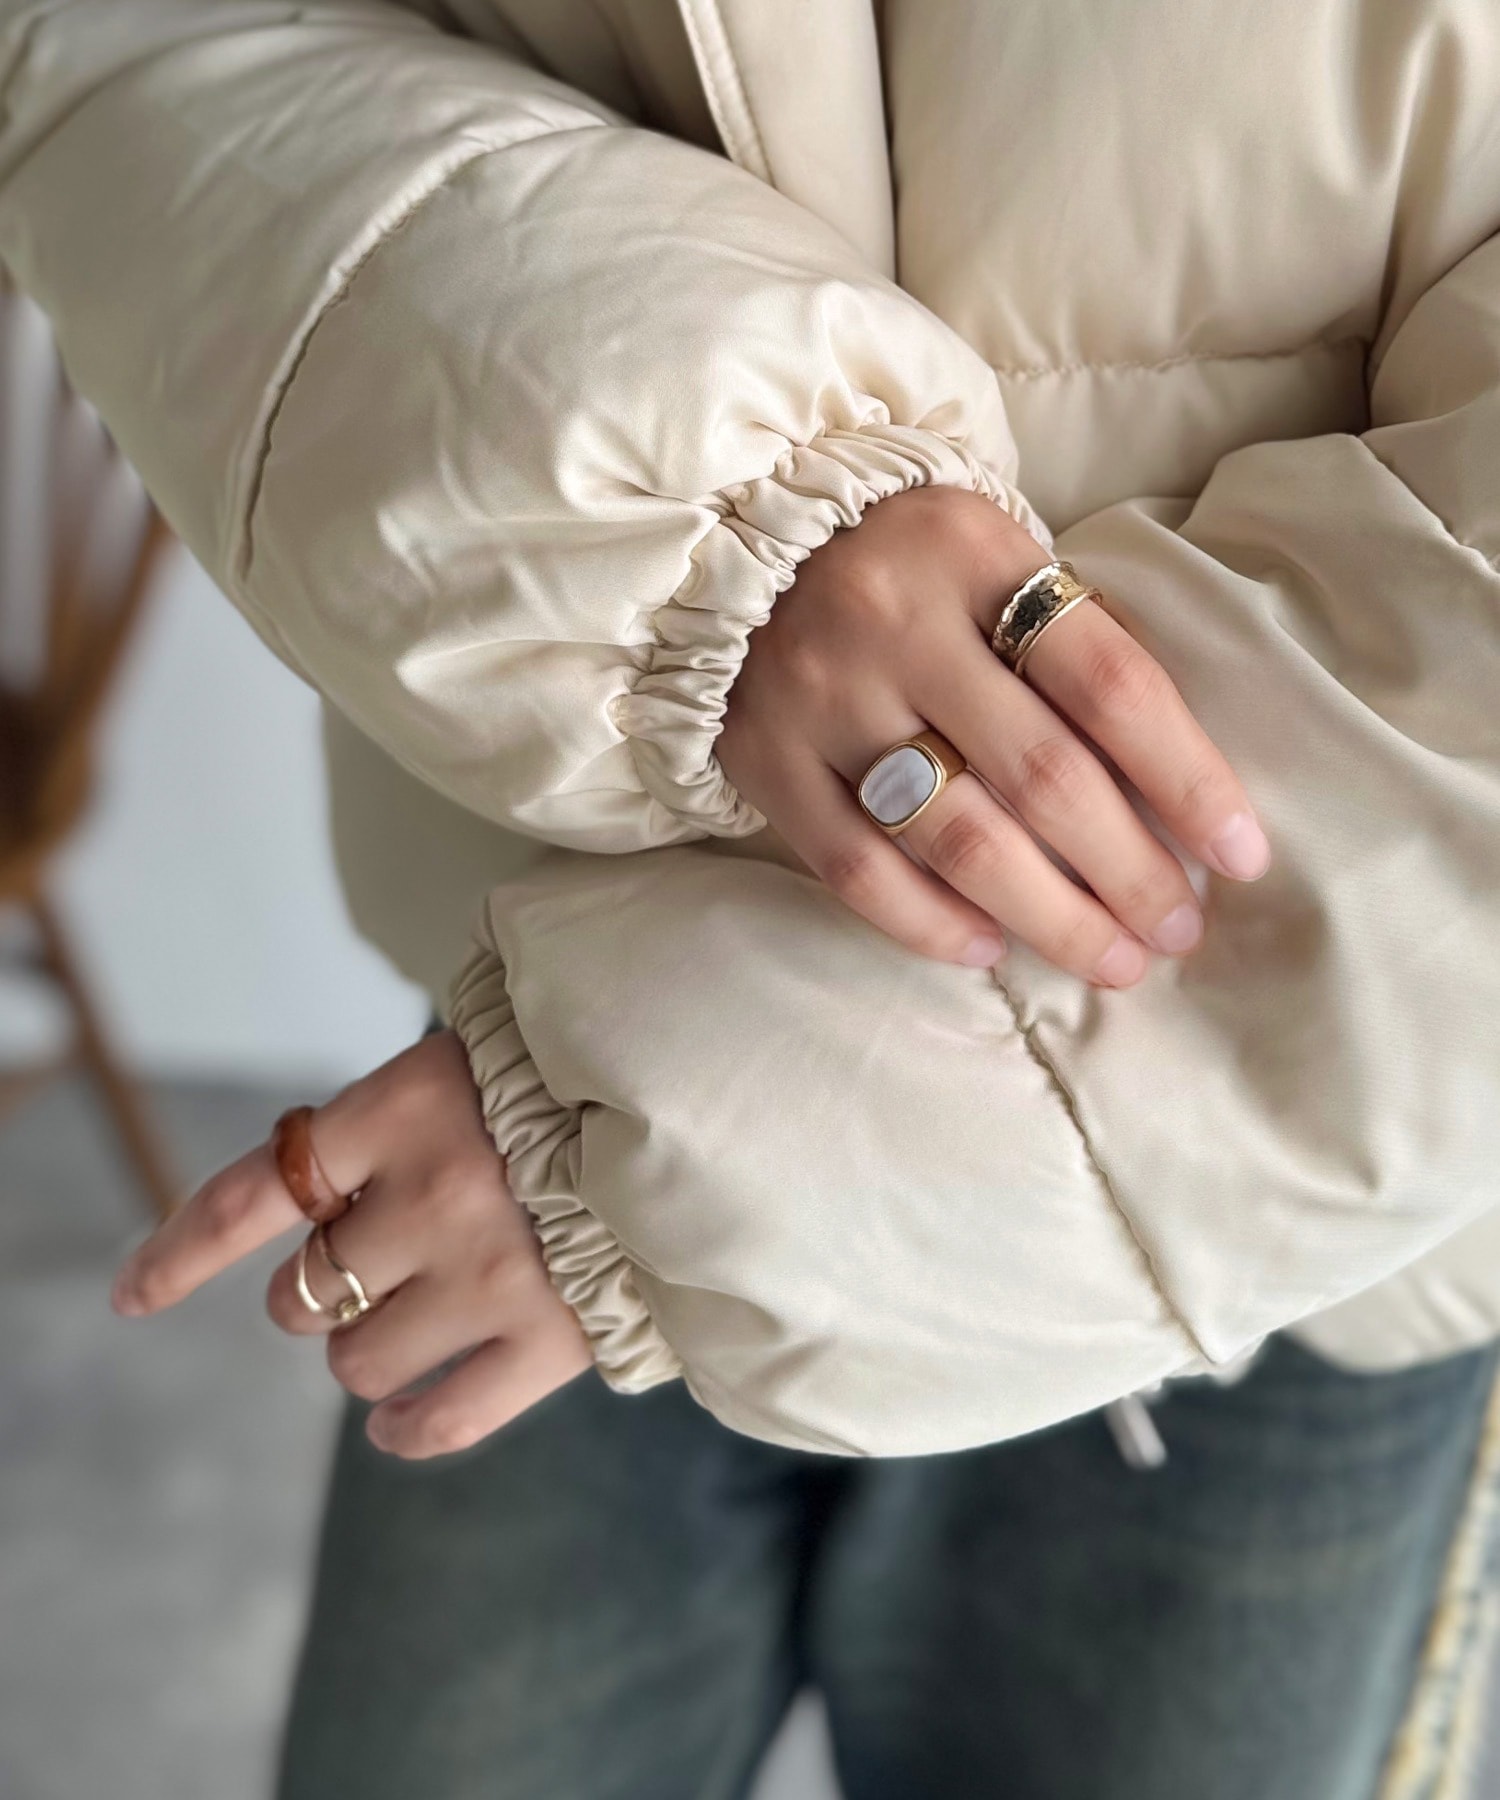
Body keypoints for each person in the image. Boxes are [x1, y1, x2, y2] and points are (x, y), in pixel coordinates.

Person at [6, 2, 1500, 1794]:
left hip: (1277, 1228)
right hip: (530, 1069)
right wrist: (713, 534)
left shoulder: (609, 1133)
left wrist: (675, 1131)